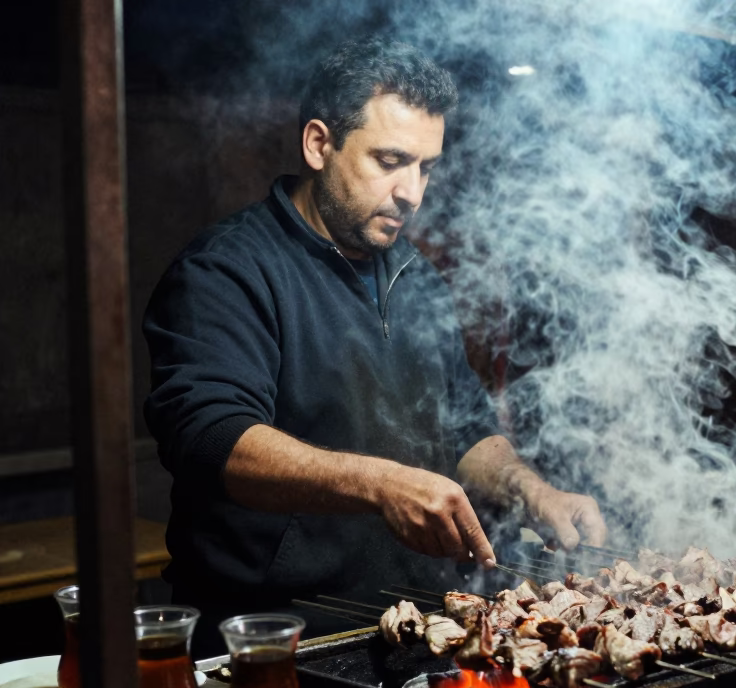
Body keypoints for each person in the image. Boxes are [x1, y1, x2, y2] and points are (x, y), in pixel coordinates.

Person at [143, 38, 606, 656]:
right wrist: (381, 483)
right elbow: (211, 439)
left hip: (410, 622)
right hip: (269, 636)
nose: (412, 192)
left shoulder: (414, 274)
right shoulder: (226, 272)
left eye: (425, 167)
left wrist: (531, 490)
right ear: (319, 144)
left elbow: (466, 426)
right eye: (390, 160)